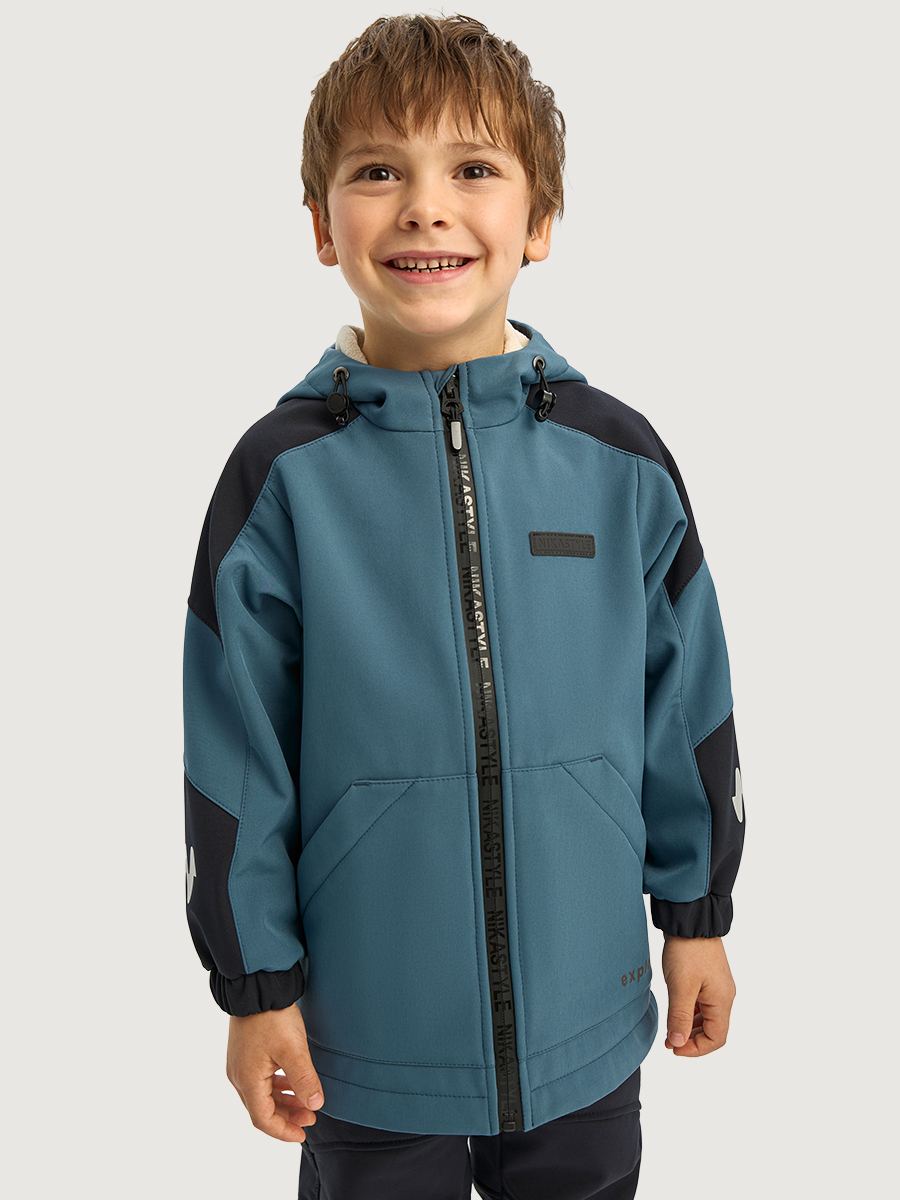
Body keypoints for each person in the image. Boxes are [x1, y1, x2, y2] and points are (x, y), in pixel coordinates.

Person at [182, 13, 745, 1199]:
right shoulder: (281, 477)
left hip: (589, 1021)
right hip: (367, 1041)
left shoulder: (618, 460)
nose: (426, 208)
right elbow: (235, 757)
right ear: (321, 224)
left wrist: (696, 914)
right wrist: (255, 988)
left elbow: (685, 700)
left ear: (539, 220)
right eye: (377, 172)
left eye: (474, 169)